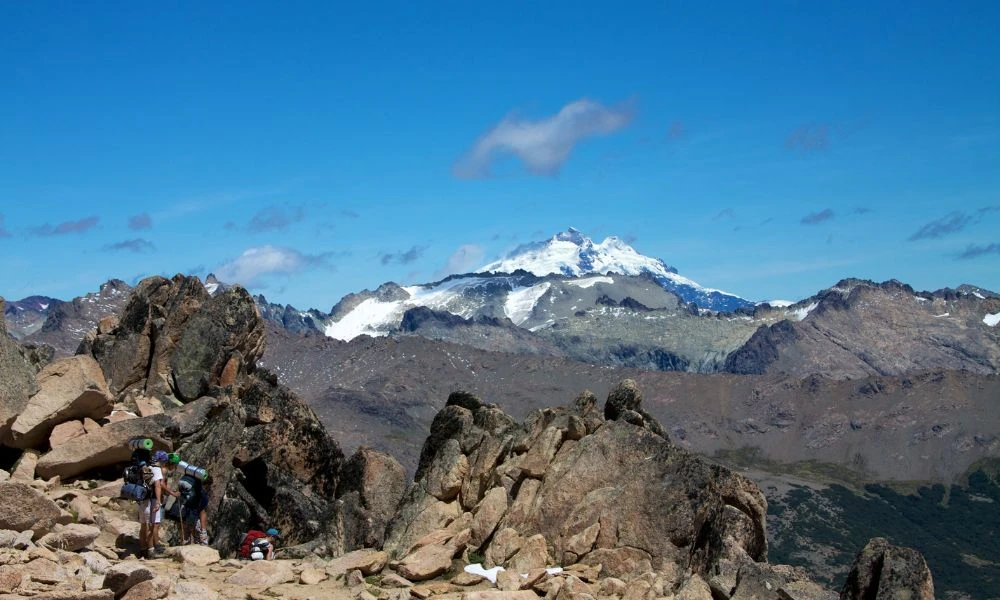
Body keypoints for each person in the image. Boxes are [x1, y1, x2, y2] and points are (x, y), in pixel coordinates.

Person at [144, 450, 179, 556]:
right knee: (156, 524)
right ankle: (155, 545)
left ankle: (154, 544)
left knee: (154, 523)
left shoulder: (157, 468)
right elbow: (161, 484)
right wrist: (172, 493)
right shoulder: (162, 470)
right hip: (156, 499)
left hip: (152, 498)